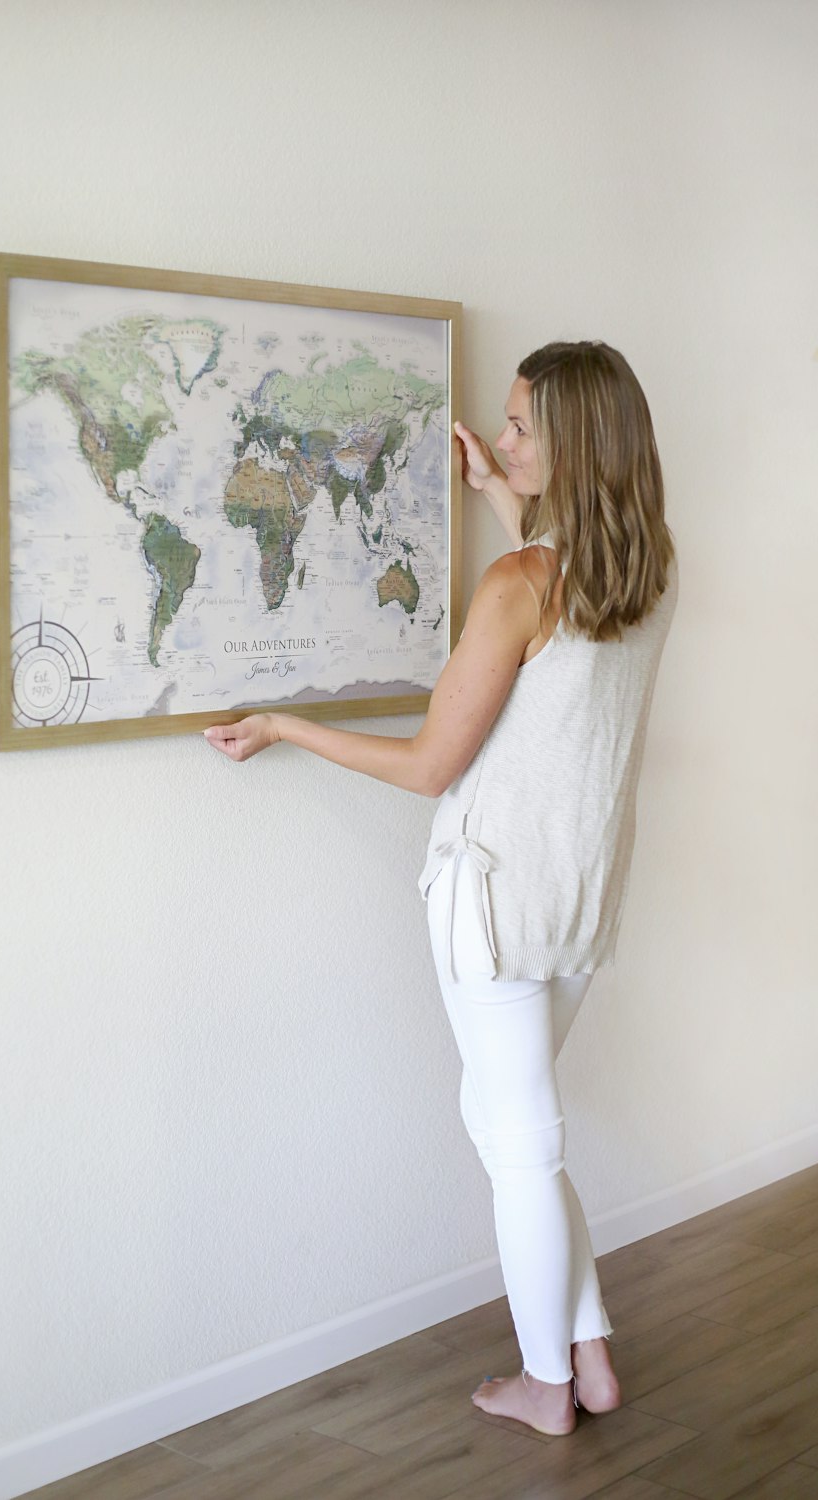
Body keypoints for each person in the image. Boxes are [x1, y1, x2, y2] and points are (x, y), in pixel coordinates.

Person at [204, 340, 678, 1438]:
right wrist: (510, 498)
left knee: (517, 1146)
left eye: (518, 429)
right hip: (575, 909)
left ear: (571, 447)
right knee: (512, 1126)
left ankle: (546, 1387)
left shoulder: (521, 585)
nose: (500, 440)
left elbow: (429, 767)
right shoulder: (647, 570)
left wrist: (283, 723)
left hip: (493, 904)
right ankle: (592, 1353)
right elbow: (566, 626)